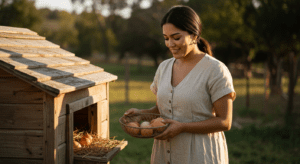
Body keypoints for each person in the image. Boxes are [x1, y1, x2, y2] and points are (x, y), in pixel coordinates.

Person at [123, 5, 236, 164]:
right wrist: (141, 114)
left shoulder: (215, 70)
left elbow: (225, 121)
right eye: (166, 38)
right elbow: (161, 109)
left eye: (176, 38)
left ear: (194, 36)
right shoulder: (164, 68)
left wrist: (182, 127)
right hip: (164, 154)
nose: (170, 44)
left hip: (200, 155)